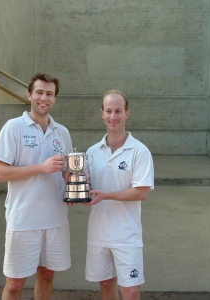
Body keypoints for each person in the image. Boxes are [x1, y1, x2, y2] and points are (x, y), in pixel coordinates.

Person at [0, 73, 73, 300]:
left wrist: (77, 188)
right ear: (29, 94)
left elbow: (66, 172)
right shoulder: (13, 128)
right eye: (39, 92)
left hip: (55, 219)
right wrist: (41, 167)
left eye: (49, 94)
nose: (43, 98)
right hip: (23, 219)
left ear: (55, 99)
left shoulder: (62, 133)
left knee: (47, 275)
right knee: (15, 284)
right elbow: (0, 173)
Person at [84, 90, 154, 300]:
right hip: (98, 234)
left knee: (130, 291)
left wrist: (106, 195)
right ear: (102, 114)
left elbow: (141, 193)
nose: (113, 116)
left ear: (127, 113)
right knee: (106, 285)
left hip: (126, 235)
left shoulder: (139, 151)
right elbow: (86, 187)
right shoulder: (92, 152)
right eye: (108, 111)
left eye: (118, 111)